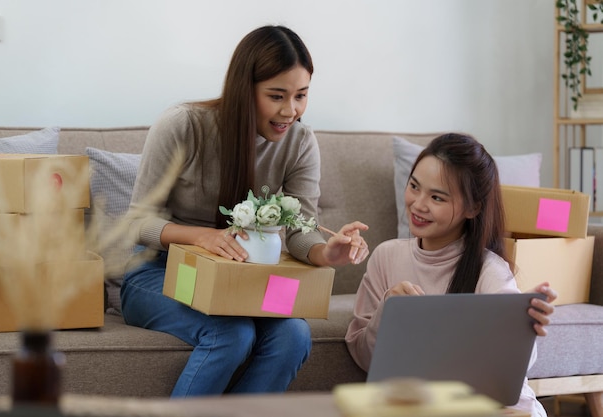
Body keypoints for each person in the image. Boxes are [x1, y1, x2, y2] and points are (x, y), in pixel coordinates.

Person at [120, 25, 369, 397]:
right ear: (244, 88)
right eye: (276, 96)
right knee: (230, 333)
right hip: (163, 271)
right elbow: (138, 222)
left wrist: (325, 253)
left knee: (295, 334)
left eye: (301, 95)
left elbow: (303, 229)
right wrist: (204, 236)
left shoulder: (300, 142)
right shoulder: (184, 125)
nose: (291, 110)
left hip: (246, 281)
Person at [345, 133, 557, 417]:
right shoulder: (386, 257)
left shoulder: (489, 269)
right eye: (414, 186)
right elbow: (365, 359)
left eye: (437, 197)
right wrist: (388, 309)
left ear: (473, 208)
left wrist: (522, 327)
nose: (419, 204)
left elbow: (513, 373)